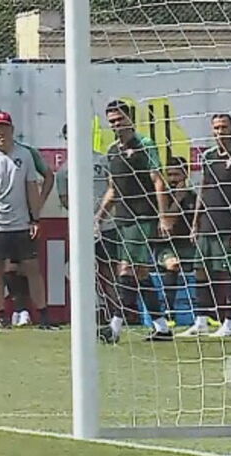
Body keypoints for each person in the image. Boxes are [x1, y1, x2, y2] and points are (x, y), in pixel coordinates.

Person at [95, 100, 171, 343]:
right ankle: (162, 327)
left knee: (126, 269)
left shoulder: (145, 145)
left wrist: (163, 215)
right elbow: (113, 189)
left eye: (120, 120)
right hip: (122, 218)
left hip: (143, 216)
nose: (116, 125)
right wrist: (99, 216)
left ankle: (114, 327)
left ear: (130, 120)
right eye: (112, 122)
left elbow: (158, 180)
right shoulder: (112, 151)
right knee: (140, 273)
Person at [0, 111, 55, 330]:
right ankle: (2, 317)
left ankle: (44, 318)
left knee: (32, 268)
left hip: (21, 224)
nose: (0, 132)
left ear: (11, 129)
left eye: (3, 127)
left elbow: (31, 187)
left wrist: (35, 218)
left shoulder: (25, 155)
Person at [178, 113, 231, 338]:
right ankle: (201, 321)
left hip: (229, 226)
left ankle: (229, 323)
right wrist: (195, 223)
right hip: (207, 225)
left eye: (224, 127)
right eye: (216, 128)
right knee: (201, 271)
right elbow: (204, 189)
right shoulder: (208, 156)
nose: (220, 132)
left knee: (228, 274)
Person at [55, 123, 118, 322]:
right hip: (81, 229)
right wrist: (82, 218)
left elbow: (113, 188)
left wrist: (100, 215)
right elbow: (64, 198)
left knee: (109, 269)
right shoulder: (64, 169)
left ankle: (116, 312)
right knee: (80, 270)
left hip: (107, 224)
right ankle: (95, 309)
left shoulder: (103, 159)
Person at [155, 156, 197, 321]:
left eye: (176, 175)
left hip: (189, 245)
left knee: (207, 267)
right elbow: (168, 223)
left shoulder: (194, 196)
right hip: (166, 246)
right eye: (169, 175)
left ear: (185, 175)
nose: (172, 179)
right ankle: (168, 312)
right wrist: (178, 199)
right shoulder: (162, 197)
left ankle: (207, 313)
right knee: (173, 264)